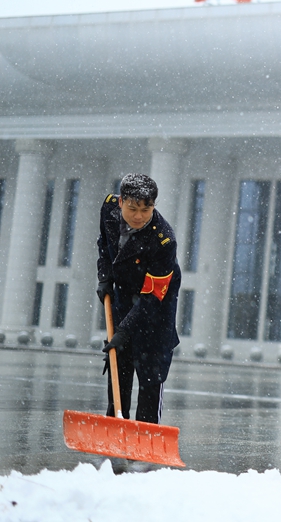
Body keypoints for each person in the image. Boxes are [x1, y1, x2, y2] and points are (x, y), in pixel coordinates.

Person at [97, 173, 181, 424]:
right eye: (132, 208)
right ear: (121, 201)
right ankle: (115, 427)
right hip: (124, 298)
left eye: (146, 209)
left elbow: (152, 297)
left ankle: (146, 441)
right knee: (119, 367)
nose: (138, 216)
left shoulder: (163, 240)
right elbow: (104, 244)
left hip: (156, 307)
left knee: (150, 374)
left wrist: (124, 330)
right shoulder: (109, 208)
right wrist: (104, 276)